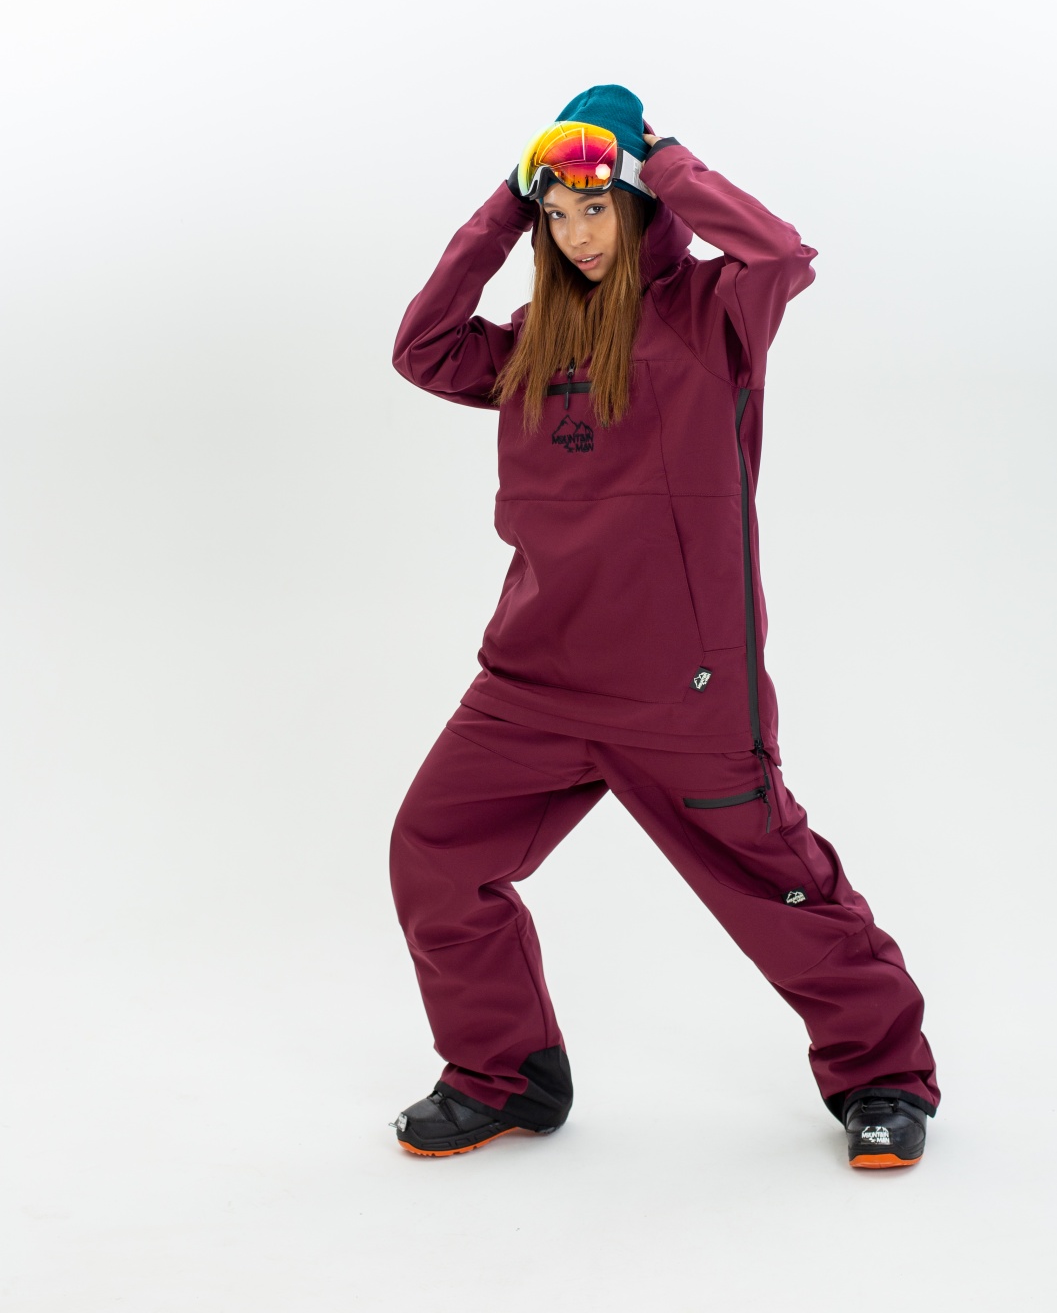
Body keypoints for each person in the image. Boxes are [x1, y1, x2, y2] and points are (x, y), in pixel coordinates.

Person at [388, 84, 939, 1169]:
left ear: (641, 204)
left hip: (681, 690)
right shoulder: (529, 342)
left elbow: (780, 254)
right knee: (433, 855)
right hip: (531, 683)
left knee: (778, 886)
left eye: (596, 208)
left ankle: (881, 1075)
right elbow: (422, 346)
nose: (576, 235)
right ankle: (504, 1074)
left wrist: (667, 158)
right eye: (555, 216)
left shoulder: (710, 316)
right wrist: (502, 204)